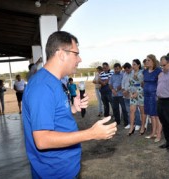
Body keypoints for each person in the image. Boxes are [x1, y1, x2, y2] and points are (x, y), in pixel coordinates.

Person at [22, 31, 117, 178]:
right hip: (55, 172)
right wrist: (91, 134)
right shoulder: (42, 86)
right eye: (76, 53)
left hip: (65, 167)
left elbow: (53, 115)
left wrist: (72, 108)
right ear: (61, 54)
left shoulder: (54, 81)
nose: (79, 59)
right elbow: (42, 140)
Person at [143, 54, 162, 143]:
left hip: (155, 95)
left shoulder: (158, 71)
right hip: (146, 95)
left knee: (157, 115)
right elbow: (143, 82)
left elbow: (161, 84)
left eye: (148, 60)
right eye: (146, 60)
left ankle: (159, 134)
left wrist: (158, 95)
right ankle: (153, 132)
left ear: (153, 61)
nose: (146, 62)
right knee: (151, 115)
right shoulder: (145, 71)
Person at [127, 59, 146, 135]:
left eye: (134, 64)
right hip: (132, 94)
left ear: (138, 65)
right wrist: (130, 92)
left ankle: (142, 126)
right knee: (132, 111)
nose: (133, 66)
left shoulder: (142, 73)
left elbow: (143, 85)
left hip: (140, 94)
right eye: (132, 64)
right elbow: (129, 84)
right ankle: (132, 126)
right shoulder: (131, 73)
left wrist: (137, 93)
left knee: (142, 111)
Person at [121, 62, 141, 129]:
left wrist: (128, 91)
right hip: (125, 95)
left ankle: (138, 124)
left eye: (127, 69)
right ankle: (130, 123)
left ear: (130, 68)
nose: (126, 71)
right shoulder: (124, 74)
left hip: (132, 94)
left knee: (135, 110)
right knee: (128, 110)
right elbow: (122, 83)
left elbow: (134, 84)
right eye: (125, 70)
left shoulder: (134, 74)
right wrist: (123, 90)